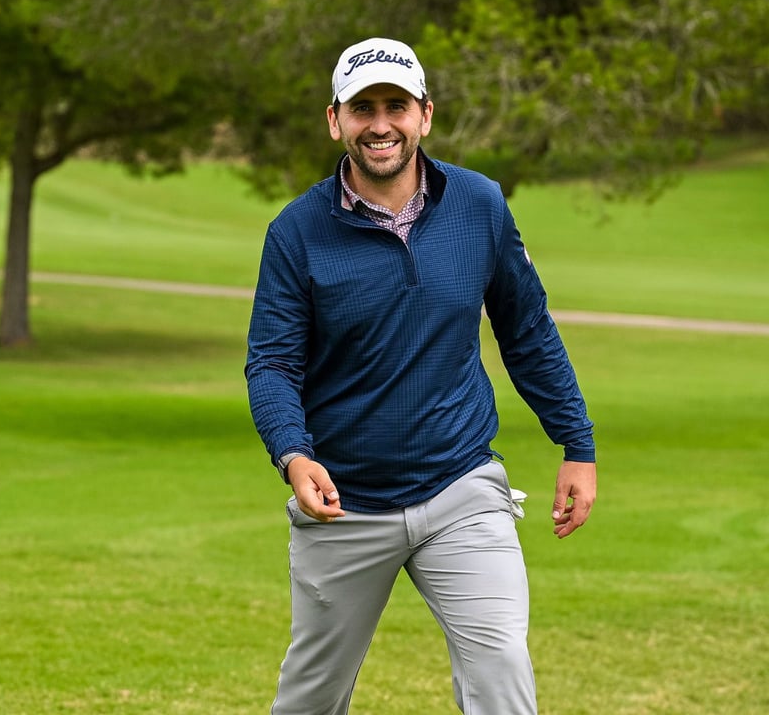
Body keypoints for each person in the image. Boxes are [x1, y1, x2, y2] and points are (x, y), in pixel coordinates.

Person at [245, 37, 597, 714]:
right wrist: (293, 454)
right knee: (309, 700)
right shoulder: (296, 232)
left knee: (501, 667)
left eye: (396, 106)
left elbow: (526, 330)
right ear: (335, 121)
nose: (381, 124)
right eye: (363, 108)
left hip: (460, 486)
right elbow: (273, 363)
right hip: (344, 501)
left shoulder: (480, 205)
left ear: (425, 115)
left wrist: (576, 442)